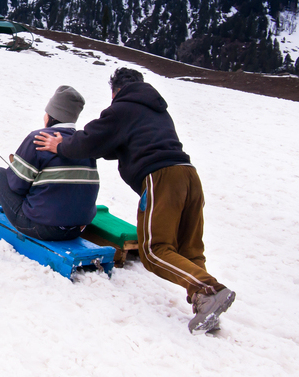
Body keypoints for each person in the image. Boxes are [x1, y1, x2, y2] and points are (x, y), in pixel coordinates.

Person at [33, 68, 235, 334]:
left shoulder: (122, 109)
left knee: (153, 250)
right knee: (190, 250)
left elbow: (90, 140)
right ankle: (206, 303)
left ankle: (210, 290)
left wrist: (59, 146)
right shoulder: (156, 109)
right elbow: (115, 144)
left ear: (115, 91)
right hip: (189, 176)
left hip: (162, 178)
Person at [0, 86, 99, 241]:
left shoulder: (39, 138)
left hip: (42, 227)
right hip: (77, 228)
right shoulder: (82, 144)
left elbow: (16, 185)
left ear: (52, 115)